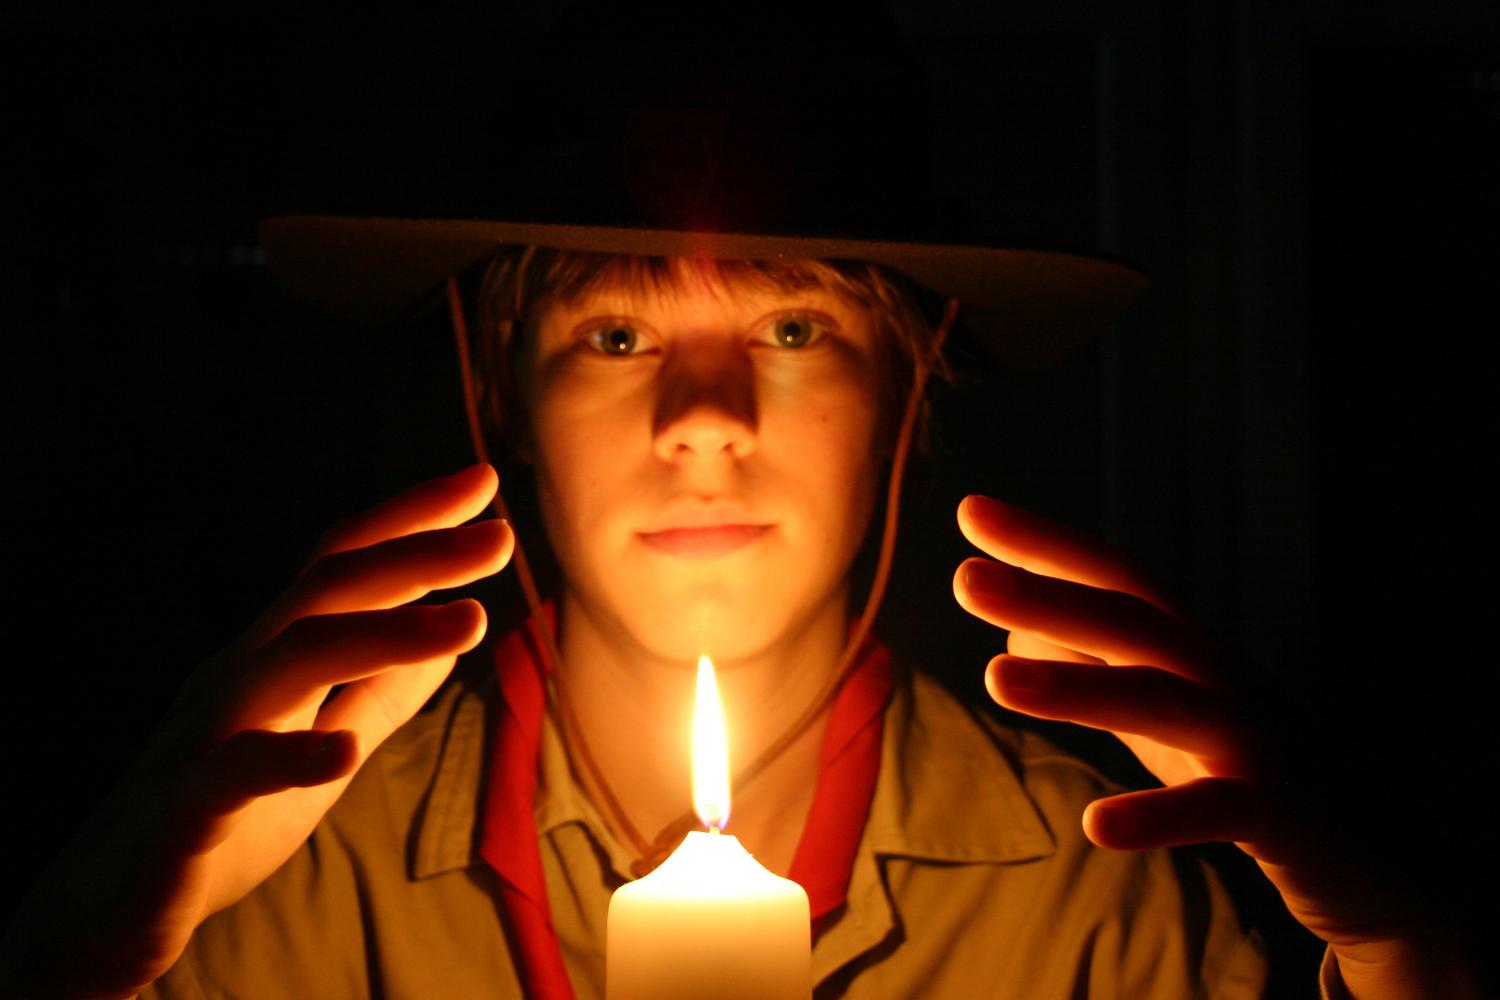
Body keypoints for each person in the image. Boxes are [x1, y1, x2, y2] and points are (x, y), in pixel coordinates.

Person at [0, 7, 1482, 998]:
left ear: (903, 389)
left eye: (790, 331)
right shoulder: (275, 888)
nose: (703, 423)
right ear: (503, 396)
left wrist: (1421, 955)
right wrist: (71, 960)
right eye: (616, 336)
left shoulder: (1100, 901)